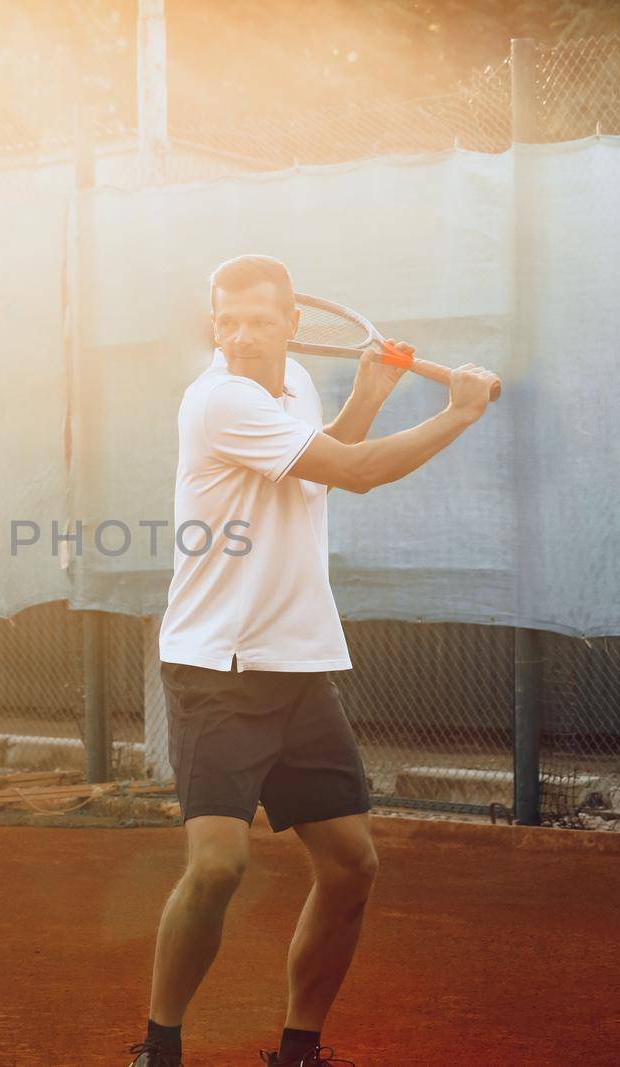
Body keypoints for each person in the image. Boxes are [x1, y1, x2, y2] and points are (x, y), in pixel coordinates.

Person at [124, 254, 498, 1067]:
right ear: (214, 325)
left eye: (259, 319)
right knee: (219, 865)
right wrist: (459, 412)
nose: (241, 335)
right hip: (216, 667)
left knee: (351, 864)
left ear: (293, 324)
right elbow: (356, 474)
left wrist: (367, 393)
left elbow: (314, 472)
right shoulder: (217, 399)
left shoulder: (295, 378)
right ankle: (159, 1046)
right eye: (227, 320)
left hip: (296, 665)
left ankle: (298, 1050)